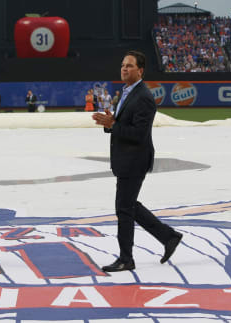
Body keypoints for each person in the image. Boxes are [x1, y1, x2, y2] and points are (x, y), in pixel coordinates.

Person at [92, 50, 182, 272]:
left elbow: (139, 134)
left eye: (129, 66)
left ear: (140, 71)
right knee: (129, 205)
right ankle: (168, 237)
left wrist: (114, 125)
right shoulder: (127, 92)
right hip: (126, 159)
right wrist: (109, 123)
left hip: (135, 160)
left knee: (124, 208)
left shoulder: (143, 97)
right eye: (123, 65)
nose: (124, 68)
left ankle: (126, 259)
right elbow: (122, 125)